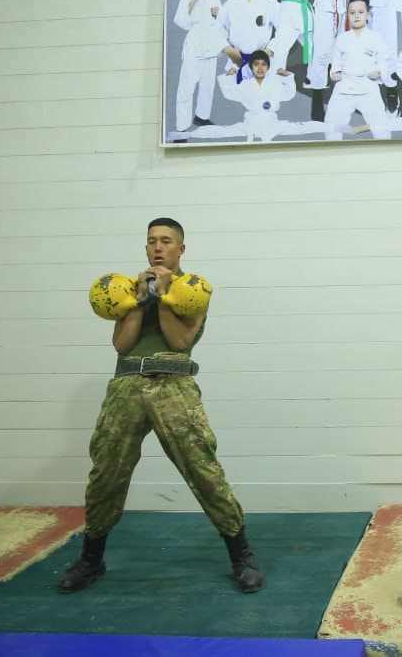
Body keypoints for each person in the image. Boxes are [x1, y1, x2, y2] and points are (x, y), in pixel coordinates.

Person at [60, 218, 264, 595]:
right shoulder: (126, 291)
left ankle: (242, 557)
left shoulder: (193, 290)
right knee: (106, 471)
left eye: (166, 241)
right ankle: (91, 560)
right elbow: (122, 344)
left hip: (173, 385)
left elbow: (180, 339)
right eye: (152, 241)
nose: (158, 247)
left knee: (203, 469)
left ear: (180, 249)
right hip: (126, 385)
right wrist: (140, 299)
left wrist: (164, 295)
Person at [192, 50, 330, 142]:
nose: (260, 68)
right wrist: (229, 77)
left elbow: (289, 94)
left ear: (268, 68)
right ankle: (187, 134)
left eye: (263, 64)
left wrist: (287, 77)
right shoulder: (245, 85)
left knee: (304, 128)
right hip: (250, 123)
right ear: (251, 67)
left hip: (272, 123)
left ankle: (336, 127)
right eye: (256, 64)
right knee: (222, 131)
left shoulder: (274, 83)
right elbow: (229, 93)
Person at [171, 0, 226, 133]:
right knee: (187, 84)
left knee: (207, 83)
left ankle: (201, 116)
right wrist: (193, 0)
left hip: (210, 43)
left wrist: (219, 16)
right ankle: (182, 126)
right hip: (194, 42)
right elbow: (180, 21)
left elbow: (223, 25)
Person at [327, 0, 394, 139]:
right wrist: (335, 74)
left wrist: (379, 71)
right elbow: (335, 65)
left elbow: (384, 59)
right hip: (345, 86)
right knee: (332, 128)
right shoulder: (342, 38)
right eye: (352, 13)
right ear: (348, 16)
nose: (356, 16)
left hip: (368, 86)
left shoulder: (376, 38)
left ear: (367, 15)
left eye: (360, 12)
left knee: (381, 130)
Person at [220, 0, 293, 84]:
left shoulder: (270, 3)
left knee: (265, 99)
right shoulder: (230, 5)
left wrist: (269, 50)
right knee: (236, 98)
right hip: (236, 63)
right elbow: (217, 32)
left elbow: (285, 30)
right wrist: (229, 51)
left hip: (264, 61)